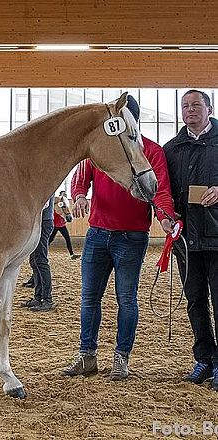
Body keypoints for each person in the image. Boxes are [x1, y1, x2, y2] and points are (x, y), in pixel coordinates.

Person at [62, 95, 175, 380]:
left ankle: (121, 359)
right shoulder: (101, 148)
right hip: (98, 233)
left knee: (126, 299)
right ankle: (86, 356)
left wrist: (164, 215)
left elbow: (159, 190)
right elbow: (81, 174)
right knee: (89, 298)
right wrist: (78, 196)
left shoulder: (152, 151)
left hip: (132, 236)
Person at [164, 89, 218, 391]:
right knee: (195, 302)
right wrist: (167, 216)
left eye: (196, 105)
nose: (190, 110)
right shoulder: (172, 148)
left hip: (216, 237)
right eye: (185, 106)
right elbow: (165, 193)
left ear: (209, 108)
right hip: (186, 241)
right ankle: (204, 359)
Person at [21, 195, 56, 312]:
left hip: (43, 221)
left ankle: (47, 299)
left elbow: (42, 203)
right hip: (38, 221)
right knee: (35, 260)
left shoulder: (47, 184)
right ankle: (38, 296)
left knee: (41, 260)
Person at [49, 191, 79, 260]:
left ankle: (72, 254)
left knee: (67, 239)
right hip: (55, 225)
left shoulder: (64, 203)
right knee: (50, 239)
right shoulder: (56, 204)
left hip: (62, 225)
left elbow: (65, 211)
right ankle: (43, 252)